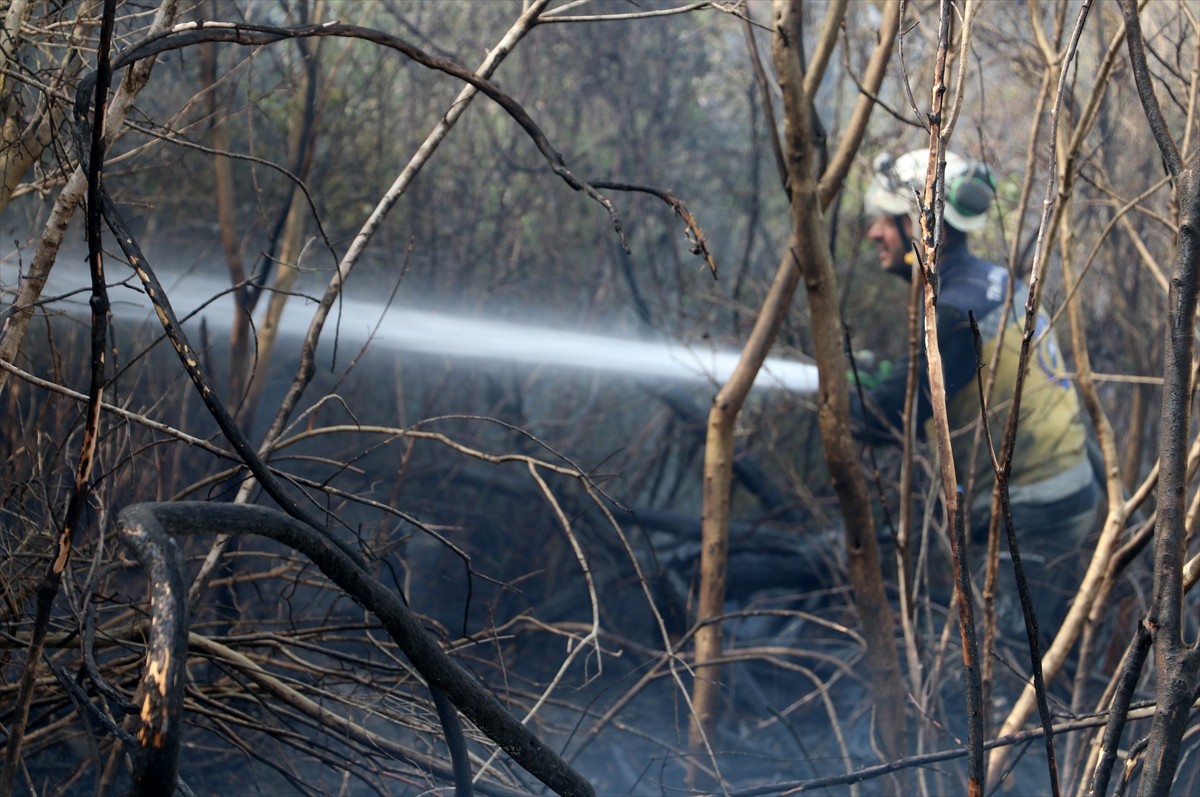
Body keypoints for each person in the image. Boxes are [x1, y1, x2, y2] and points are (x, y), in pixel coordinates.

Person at [850, 148, 1102, 640]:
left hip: (1034, 513)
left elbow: (880, 423)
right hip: (1068, 490)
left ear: (929, 228)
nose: (874, 232)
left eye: (888, 218)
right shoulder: (993, 283)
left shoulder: (954, 311)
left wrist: (842, 395)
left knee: (1006, 657)